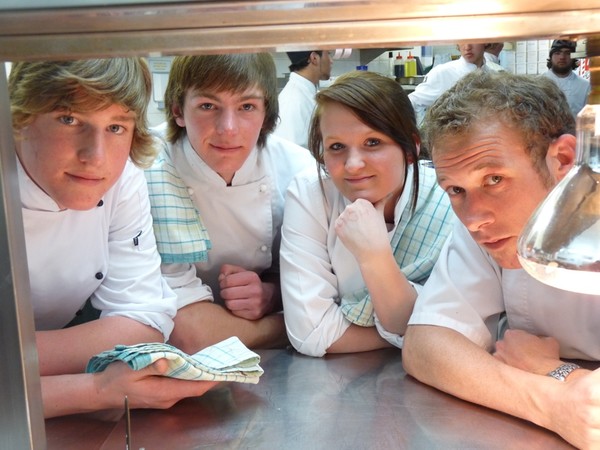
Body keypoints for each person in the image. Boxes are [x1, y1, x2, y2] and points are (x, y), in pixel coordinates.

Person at [9, 58, 218, 418]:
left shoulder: (124, 180)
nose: (96, 156)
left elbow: (145, 324)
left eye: (116, 127)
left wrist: (13, 362)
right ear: (19, 120)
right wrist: (94, 389)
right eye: (69, 119)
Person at [402, 70, 600, 450]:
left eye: (494, 179)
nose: (474, 217)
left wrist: (555, 371)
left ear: (562, 158)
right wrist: (553, 403)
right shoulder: (484, 225)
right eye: (456, 189)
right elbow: (427, 343)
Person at [147, 53, 314, 353]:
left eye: (247, 107)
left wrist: (271, 294)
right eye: (208, 106)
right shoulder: (149, 168)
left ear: (267, 115)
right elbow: (188, 333)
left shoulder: (299, 171)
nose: (228, 128)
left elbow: (315, 281)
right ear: (178, 110)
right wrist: (293, 327)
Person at [280, 71, 455, 357]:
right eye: (336, 147)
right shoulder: (312, 194)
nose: (353, 165)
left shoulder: (449, 202)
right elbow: (311, 334)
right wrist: (424, 327)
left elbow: (468, 322)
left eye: (373, 142)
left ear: (411, 148)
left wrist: (375, 257)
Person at [408, 43, 504, 126]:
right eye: (462, 41)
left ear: (485, 42)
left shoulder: (494, 75)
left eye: (473, 40)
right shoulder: (443, 73)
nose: (467, 47)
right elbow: (412, 102)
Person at [273, 50, 333, 148]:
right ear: (314, 58)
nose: (331, 61)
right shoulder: (292, 102)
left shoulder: (307, 92)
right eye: (329, 54)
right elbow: (289, 157)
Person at [542, 39, 590, 118]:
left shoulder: (585, 86)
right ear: (551, 57)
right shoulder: (538, 84)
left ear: (574, 57)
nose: (562, 57)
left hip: (575, 130)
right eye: (557, 53)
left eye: (568, 53)